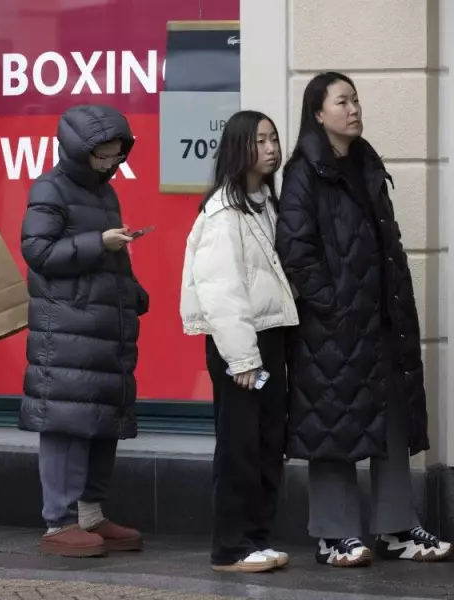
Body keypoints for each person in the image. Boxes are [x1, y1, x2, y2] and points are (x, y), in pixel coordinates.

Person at [276, 72, 452, 567]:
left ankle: (397, 529)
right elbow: (295, 252)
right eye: (342, 101)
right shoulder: (303, 173)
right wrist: (331, 306)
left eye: (356, 100)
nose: (353, 109)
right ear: (318, 113)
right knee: (331, 423)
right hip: (329, 328)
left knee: (391, 419)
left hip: (380, 321)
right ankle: (333, 536)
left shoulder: (365, 164)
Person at [20, 104, 149, 558]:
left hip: (100, 328)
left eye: (117, 155)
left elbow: (112, 256)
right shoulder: (50, 188)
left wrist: (133, 290)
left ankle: (90, 514)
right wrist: (100, 242)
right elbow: (37, 251)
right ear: (80, 151)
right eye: (103, 156)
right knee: (65, 425)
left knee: (100, 424)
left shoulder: (103, 193)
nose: (112, 163)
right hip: (67, 330)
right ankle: (58, 522)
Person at [180, 110, 297, 573]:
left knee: (268, 443)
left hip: (268, 338)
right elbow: (221, 292)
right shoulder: (224, 213)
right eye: (260, 141)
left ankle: (256, 538)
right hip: (241, 348)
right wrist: (243, 359)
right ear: (238, 148)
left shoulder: (265, 201)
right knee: (239, 447)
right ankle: (230, 546)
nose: (271, 148)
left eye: (273, 139)